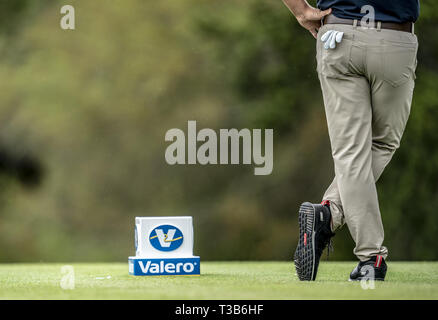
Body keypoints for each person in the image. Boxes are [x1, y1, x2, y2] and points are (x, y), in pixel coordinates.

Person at [282, 0, 420, 281]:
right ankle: (365, 251)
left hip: (338, 36)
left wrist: (301, 11)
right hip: (394, 39)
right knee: (382, 144)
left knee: (350, 153)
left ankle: (336, 219)